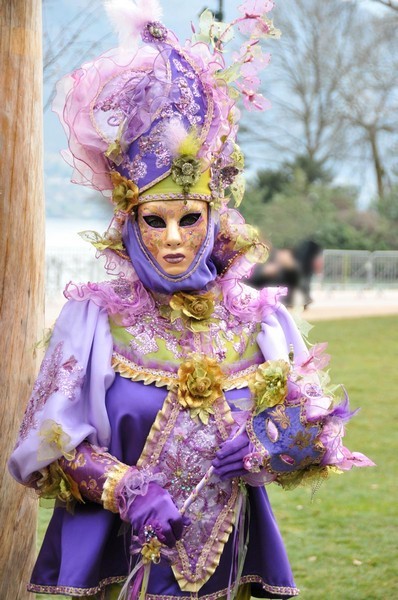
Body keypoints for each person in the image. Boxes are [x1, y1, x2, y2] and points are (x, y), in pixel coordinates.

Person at [8, 2, 373, 599]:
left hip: (228, 568)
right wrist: (125, 488)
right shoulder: (96, 320)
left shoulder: (259, 318)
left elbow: (318, 436)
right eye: (155, 219)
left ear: (214, 217)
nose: (174, 238)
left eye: (190, 218)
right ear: (130, 224)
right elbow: (44, 443)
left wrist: (269, 444)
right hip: (120, 565)